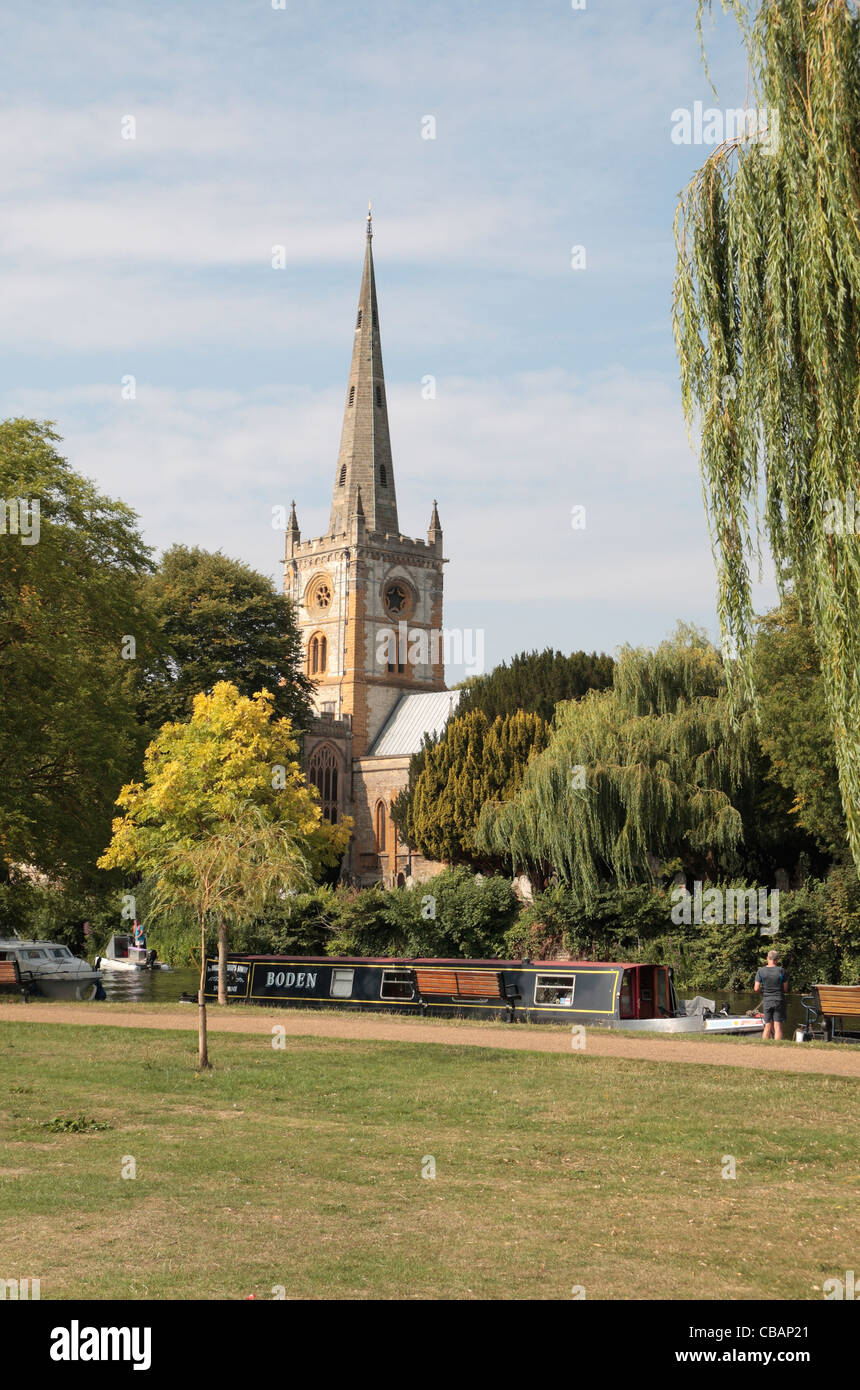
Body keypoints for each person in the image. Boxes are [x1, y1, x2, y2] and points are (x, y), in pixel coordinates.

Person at [754, 948, 788, 1040]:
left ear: (767, 958)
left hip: (767, 1000)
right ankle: (777, 1049)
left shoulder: (760, 971)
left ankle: (765, 1048)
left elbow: (756, 988)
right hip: (779, 1000)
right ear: (777, 960)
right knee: (778, 1026)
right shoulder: (782, 971)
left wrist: (763, 992)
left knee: (767, 1026)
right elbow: (785, 989)